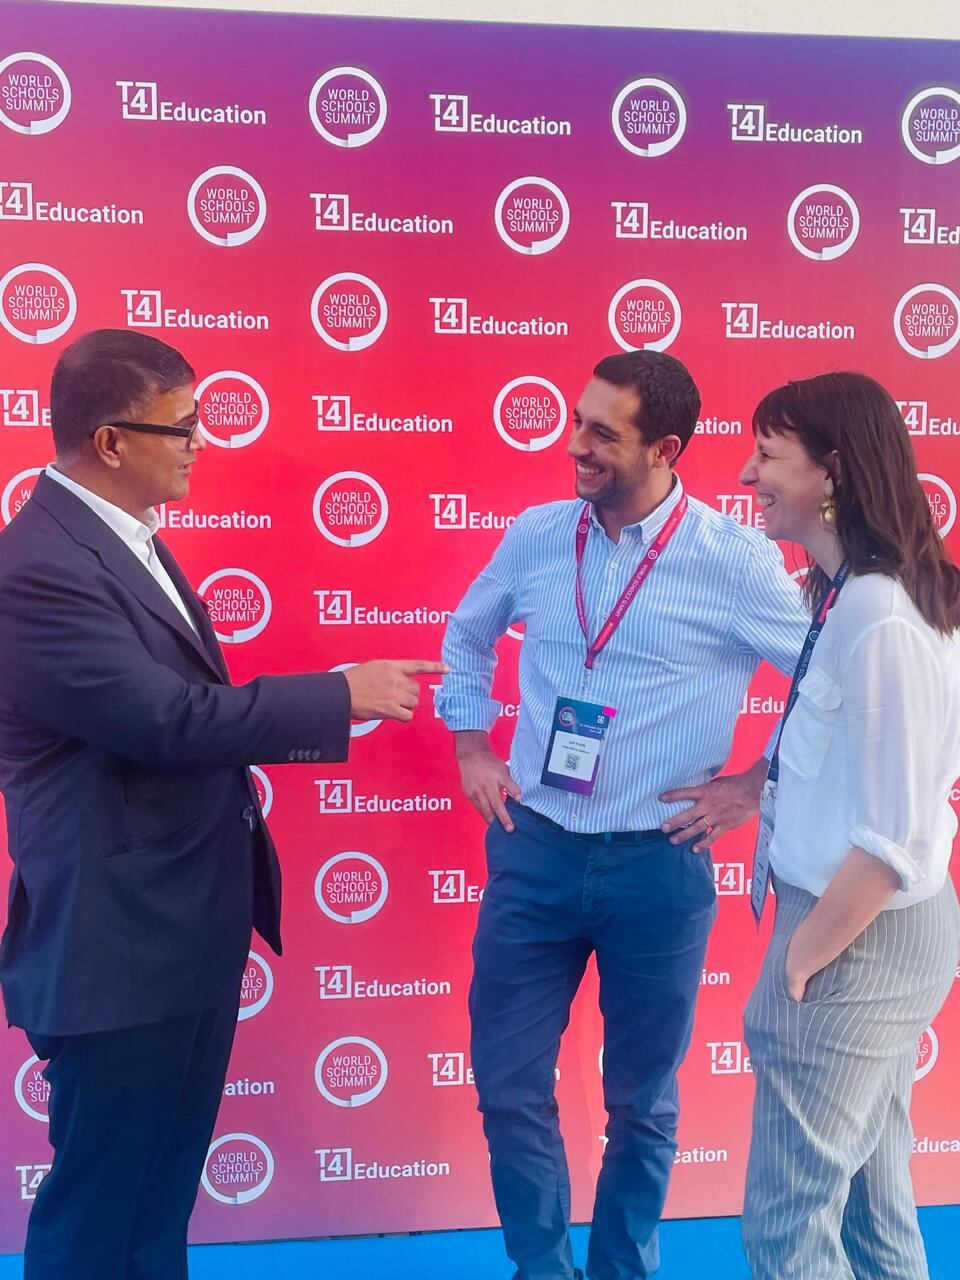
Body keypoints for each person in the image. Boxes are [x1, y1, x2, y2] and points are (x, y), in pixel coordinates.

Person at [0, 329, 443, 1280]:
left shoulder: (119, 540)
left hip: (177, 931)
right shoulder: (41, 566)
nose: (203, 442)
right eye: (184, 425)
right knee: (100, 1210)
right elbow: (162, 719)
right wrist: (337, 695)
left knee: (157, 1201)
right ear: (112, 441)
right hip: (118, 943)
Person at [435, 349, 809, 1280]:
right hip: (536, 851)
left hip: (658, 865)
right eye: (576, 423)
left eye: (604, 434)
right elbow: (468, 634)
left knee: (642, 1099)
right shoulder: (535, 533)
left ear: (667, 448)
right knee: (510, 1086)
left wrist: (755, 784)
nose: (577, 447)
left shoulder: (733, 559)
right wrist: (473, 746)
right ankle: (541, 1270)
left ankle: (621, 1270)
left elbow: (831, 679)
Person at [738, 371, 960, 1280]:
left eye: (766, 455)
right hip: (854, 931)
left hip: (851, 935)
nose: (748, 475)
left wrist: (802, 958)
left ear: (830, 472)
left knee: (786, 1238)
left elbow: (895, 838)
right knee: (874, 1215)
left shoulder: (878, 611)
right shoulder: (845, 593)